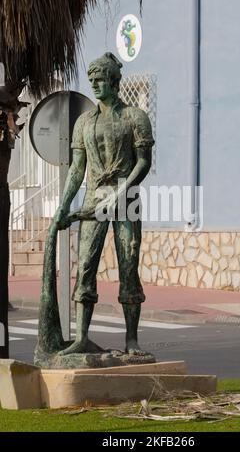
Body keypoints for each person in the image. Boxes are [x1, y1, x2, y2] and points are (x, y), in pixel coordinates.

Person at [53, 52, 155, 356]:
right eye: (92, 80)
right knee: (85, 265)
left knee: (129, 264)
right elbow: (76, 169)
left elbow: (144, 162)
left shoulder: (135, 117)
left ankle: (131, 340)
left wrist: (121, 191)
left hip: (127, 198)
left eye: (100, 80)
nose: (95, 85)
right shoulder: (85, 121)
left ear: (114, 81)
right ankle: (82, 337)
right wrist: (64, 204)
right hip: (94, 198)